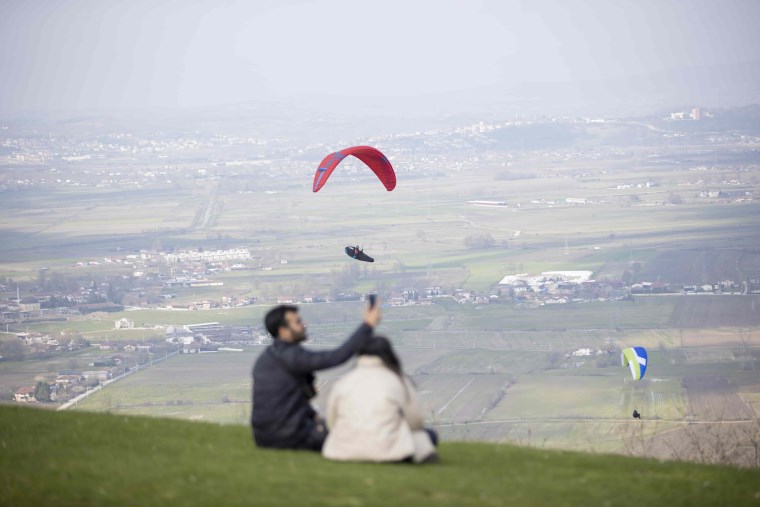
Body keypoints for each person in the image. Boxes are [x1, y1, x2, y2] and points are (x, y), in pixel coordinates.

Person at [251, 302, 381, 451]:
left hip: (264, 436)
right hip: (290, 437)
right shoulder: (292, 356)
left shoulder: (267, 357)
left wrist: (312, 415)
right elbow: (338, 356)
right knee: (357, 438)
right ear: (283, 331)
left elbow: (286, 401)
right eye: (298, 322)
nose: (303, 324)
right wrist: (368, 325)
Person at [322, 336, 439, 464]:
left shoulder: (343, 382)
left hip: (342, 450)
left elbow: (332, 422)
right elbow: (415, 421)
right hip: (386, 449)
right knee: (429, 435)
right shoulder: (398, 380)